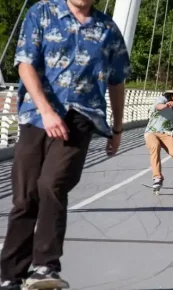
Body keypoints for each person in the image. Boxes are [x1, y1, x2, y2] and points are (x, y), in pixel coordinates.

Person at [0, 0, 131, 289]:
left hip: (80, 119)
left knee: (52, 184)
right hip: (36, 116)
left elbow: (117, 81)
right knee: (25, 197)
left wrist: (117, 128)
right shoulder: (42, 13)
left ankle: (46, 267)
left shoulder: (108, 30)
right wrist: (46, 111)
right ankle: (11, 275)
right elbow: (24, 65)